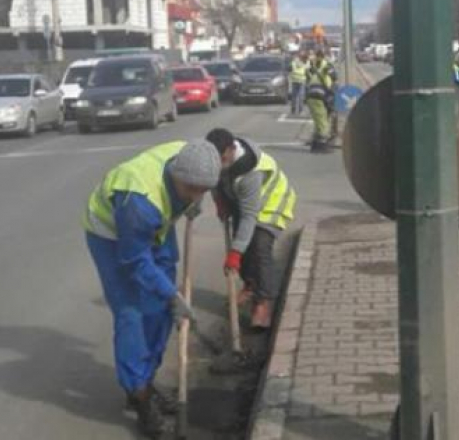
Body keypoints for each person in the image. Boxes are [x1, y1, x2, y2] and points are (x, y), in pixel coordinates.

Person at [84, 140, 221, 438]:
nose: (197, 195)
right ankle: (139, 397)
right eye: (191, 189)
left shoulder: (192, 154)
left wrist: (193, 201)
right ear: (177, 176)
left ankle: (147, 377)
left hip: (158, 224)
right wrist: (173, 294)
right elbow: (135, 261)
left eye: (203, 190)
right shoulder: (139, 202)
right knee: (132, 312)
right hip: (112, 234)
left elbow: (198, 183)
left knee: (161, 310)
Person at [206, 129, 298, 329]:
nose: (219, 165)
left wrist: (234, 254)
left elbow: (249, 217)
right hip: (242, 202)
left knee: (258, 247)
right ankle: (250, 285)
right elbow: (214, 181)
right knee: (243, 243)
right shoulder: (216, 159)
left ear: (231, 149)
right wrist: (219, 201)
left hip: (271, 204)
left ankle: (264, 302)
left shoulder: (251, 172)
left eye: (222, 159)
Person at [306, 50, 335, 153]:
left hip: (311, 95)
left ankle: (315, 144)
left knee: (318, 121)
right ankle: (322, 146)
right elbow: (333, 76)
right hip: (318, 95)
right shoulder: (326, 66)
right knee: (323, 123)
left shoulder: (313, 67)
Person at [289, 51, 308, 116]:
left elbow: (290, 68)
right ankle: (301, 110)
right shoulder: (304, 62)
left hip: (294, 80)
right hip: (302, 80)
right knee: (301, 96)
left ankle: (293, 110)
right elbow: (308, 68)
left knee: (294, 96)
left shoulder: (294, 62)